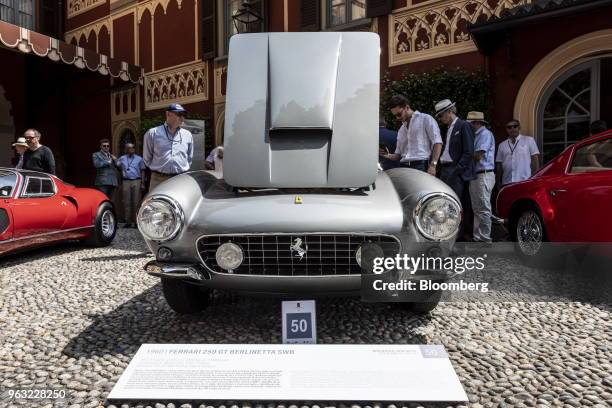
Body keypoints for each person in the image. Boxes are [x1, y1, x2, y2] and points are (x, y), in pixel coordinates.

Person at [435, 99, 475, 240]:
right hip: (445, 170)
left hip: (455, 171)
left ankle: (458, 236)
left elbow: (469, 151)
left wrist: (458, 169)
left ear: (450, 111)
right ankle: (450, 234)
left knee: (456, 204)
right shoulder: (448, 128)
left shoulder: (464, 125)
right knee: (446, 203)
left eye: (441, 115)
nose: (440, 119)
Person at [383, 95, 442, 175]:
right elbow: (398, 155)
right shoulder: (401, 129)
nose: (397, 118)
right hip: (403, 167)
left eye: (399, 114)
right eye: (395, 116)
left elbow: (437, 142)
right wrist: (386, 155)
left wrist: (433, 165)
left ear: (407, 107)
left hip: (421, 165)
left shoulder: (425, 119)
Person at [143, 103, 193, 190]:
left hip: (181, 179)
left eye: (184, 115)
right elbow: (147, 159)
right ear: (168, 114)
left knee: (182, 203)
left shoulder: (187, 135)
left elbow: (189, 158)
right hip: (158, 180)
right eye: (179, 114)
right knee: (158, 203)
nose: (182, 118)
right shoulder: (152, 133)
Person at [466, 112, 495, 243]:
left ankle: (484, 238)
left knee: (483, 207)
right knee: (477, 208)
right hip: (478, 174)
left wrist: (464, 154)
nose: (468, 126)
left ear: (477, 123)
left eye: (470, 123)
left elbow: (478, 156)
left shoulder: (485, 134)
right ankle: (479, 238)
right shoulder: (478, 135)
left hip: (483, 173)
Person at [495, 119, 540, 186]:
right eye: (509, 127)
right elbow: (499, 164)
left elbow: (535, 160)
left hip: (525, 181)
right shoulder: (502, 145)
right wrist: (498, 181)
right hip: (507, 182)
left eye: (515, 126)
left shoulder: (529, 140)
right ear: (506, 129)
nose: (512, 129)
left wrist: (534, 178)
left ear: (519, 127)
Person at [116, 143, 145, 228]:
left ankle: (136, 222)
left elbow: (143, 171)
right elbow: (117, 166)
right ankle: (128, 221)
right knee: (126, 202)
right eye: (129, 148)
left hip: (136, 180)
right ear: (126, 149)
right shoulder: (122, 158)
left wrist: (142, 183)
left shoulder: (139, 159)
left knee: (136, 202)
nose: (131, 149)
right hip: (126, 181)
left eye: (132, 148)